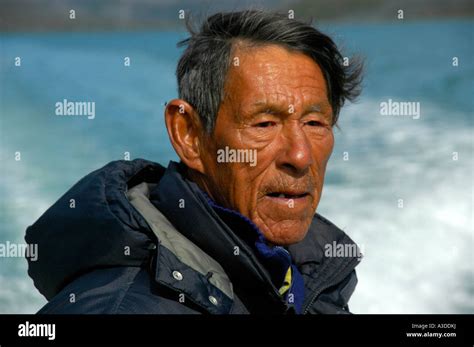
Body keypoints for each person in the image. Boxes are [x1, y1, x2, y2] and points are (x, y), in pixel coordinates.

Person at [25, 9, 363, 314]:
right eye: (264, 124)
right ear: (189, 135)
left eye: (315, 123)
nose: (301, 156)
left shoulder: (309, 281)